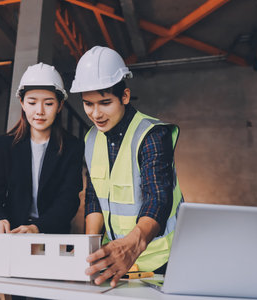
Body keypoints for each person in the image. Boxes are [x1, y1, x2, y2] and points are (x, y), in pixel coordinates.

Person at [70, 46, 184, 287]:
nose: (96, 113)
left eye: (105, 102)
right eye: (88, 104)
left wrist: (133, 246)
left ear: (125, 96)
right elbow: (94, 196)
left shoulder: (152, 134)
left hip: (163, 261)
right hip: (117, 262)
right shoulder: (91, 138)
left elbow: (158, 198)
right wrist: (90, 249)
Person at [0, 62, 84, 236]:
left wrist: (38, 228)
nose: (39, 111)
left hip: (52, 234)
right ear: (22, 103)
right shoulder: (4, 145)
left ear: (59, 106)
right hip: (12, 234)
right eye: (32, 102)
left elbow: (68, 200)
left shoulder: (72, 147)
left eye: (49, 103)